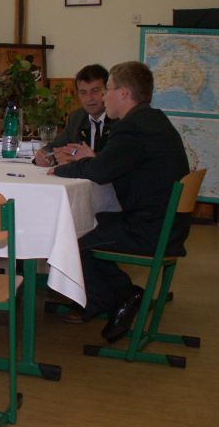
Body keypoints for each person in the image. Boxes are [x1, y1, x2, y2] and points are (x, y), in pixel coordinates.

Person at [50, 61, 190, 343]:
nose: (103, 97)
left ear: (124, 94)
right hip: (167, 224)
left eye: (108, 89)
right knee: (87, 223)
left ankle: (117, 297)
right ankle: (119, 295)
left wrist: (62, 169)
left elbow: (100, 171)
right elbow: (110, 165)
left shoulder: (132, 128)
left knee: (71, 236)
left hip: (151, 230)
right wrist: (92, 161)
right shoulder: (152, 120)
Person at [34, 64, 113, 167]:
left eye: (95, 91)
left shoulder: (119, 118)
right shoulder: (77, 117)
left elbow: (118, 158)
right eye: (83, 92)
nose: (89, 98)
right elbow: (56, 146)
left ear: (107, 91)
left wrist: (86, 159)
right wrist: (46, 155)